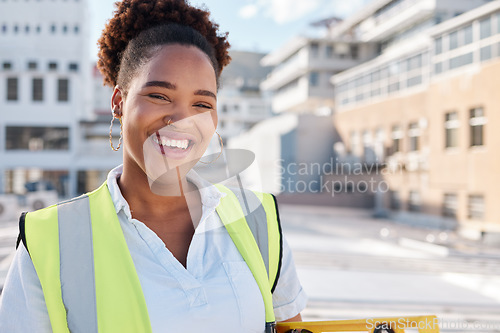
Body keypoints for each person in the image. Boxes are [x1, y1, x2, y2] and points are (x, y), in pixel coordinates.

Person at [0, 0, 307, 332]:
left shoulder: (258, 220)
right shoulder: (49, 240)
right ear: (119, 102)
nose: (182, 120)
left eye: (202, 103)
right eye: (160, 96)